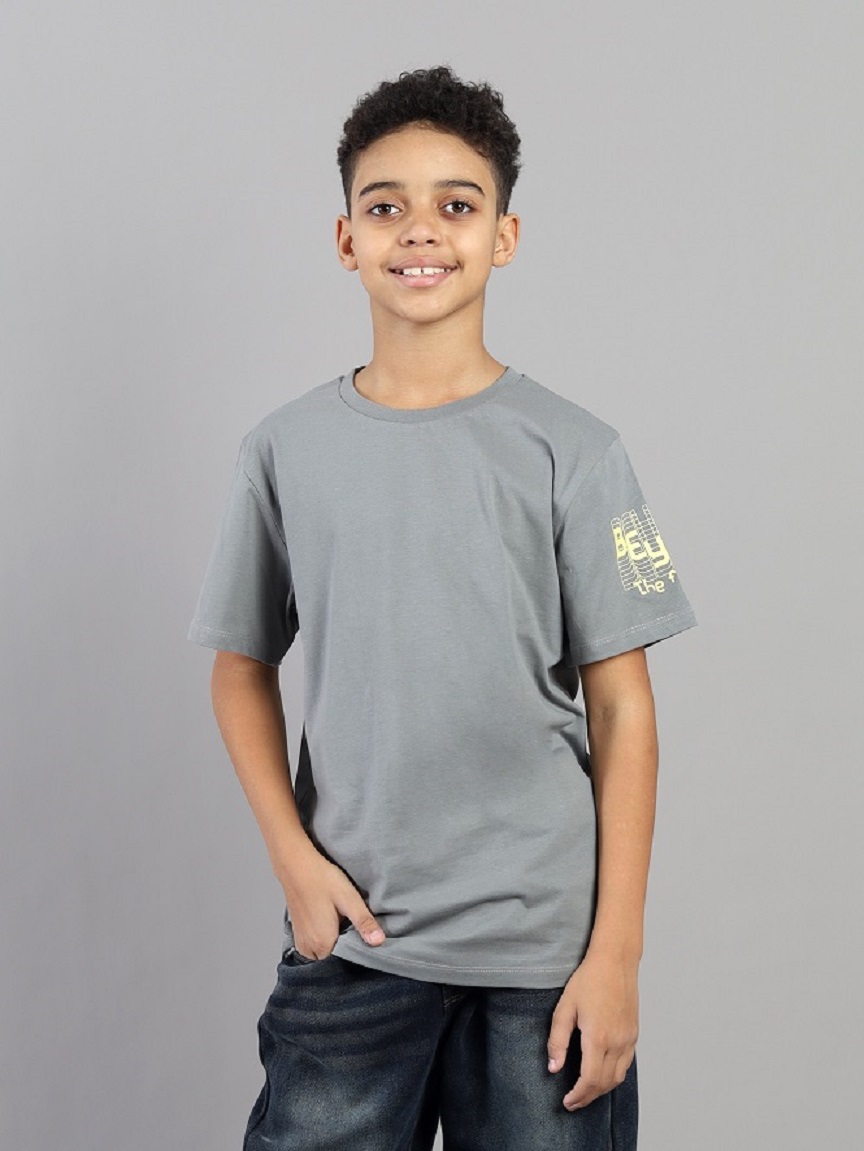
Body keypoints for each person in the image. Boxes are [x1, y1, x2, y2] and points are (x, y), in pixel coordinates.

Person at [187, 63, 697, 1151]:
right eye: (386, 207)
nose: (420, 229)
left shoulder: (586, 454)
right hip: (355, 943)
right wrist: (293, 863)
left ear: (504, 235)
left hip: (544, 963)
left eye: (456, 204)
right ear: (346, 239)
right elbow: (238, 668)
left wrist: (617, 954)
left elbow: (626, 709)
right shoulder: (281, 450)